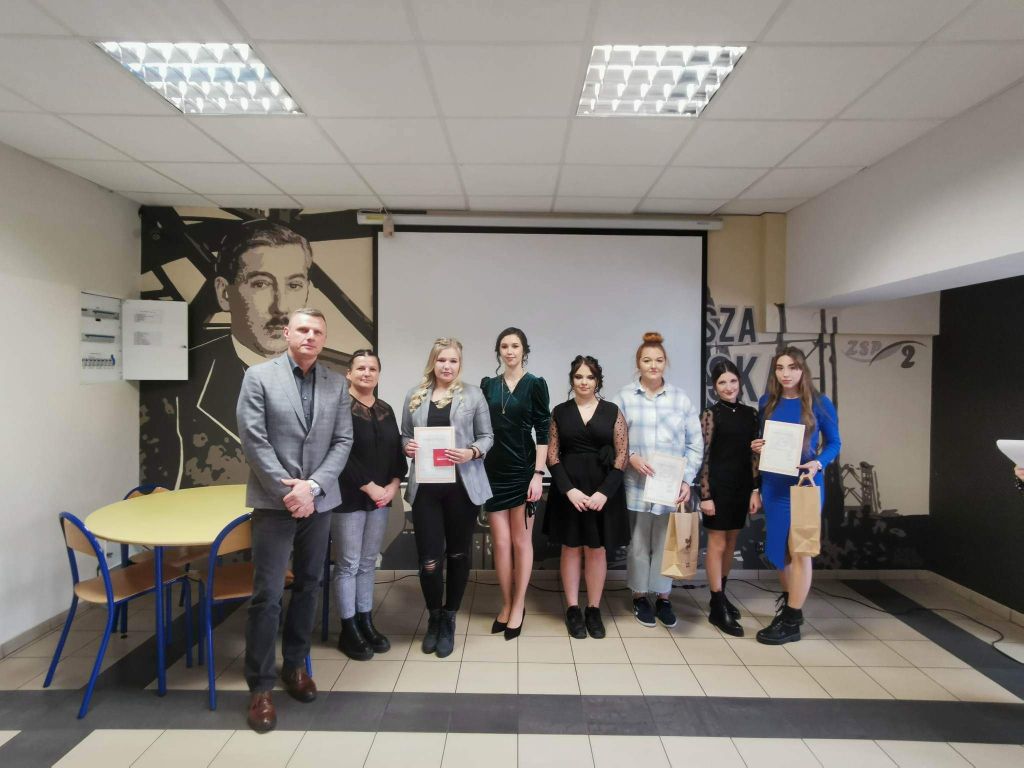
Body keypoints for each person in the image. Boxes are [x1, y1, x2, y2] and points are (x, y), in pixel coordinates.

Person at [235, 308, 353, 733]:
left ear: (324, 339)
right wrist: (289, 491)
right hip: (274, 503)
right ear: (287, 333)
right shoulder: (258, 377)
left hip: (319, 503)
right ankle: (261, 686)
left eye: (317, 331)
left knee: (309, 585)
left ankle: (295, 667)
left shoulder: (337, 384)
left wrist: (313, 487)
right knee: (267, 595)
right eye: (303, 329)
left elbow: (343, 440)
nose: (310, 336)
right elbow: (253, 439)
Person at [142, 220, 317, 489]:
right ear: (224, 293)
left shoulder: (335, 383)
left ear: (307, 292)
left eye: (294, 285)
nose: (281, 306)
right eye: (261, 284)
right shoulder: (173, 390)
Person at [402, 338, 493, 658]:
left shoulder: (473, 395)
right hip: (426, 489)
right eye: (442, 360)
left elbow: (487, 436)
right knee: (429, 561)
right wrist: (407, 447)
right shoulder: (415, 395)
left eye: (453, 361)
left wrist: (472, 452)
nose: (447, 366)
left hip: (461, 489)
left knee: (457, 555)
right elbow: (405, 435)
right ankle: (434, 617)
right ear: (433, 362)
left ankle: (449, 617)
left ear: (459, 364)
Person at [751, 346, 841, 645]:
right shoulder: (767, 401)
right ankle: (791, 608)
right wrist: (758, 446)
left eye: (792, 367)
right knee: (781, 552)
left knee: (800, 550)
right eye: (780, 368)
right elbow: (764, 441)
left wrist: (819, 462)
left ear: (803, 370)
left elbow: (834, 443)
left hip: (805, 485)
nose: (785, 373)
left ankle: (791, 620)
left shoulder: (819, 402)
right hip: (774, 485)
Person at [613, 332, 702, 629]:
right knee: (638, 544)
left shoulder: (680, 399)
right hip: (636, 485)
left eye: (659, 360)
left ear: (666, 363)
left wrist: (686, 480)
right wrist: (631, 457)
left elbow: (695, 444)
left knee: (666, 543)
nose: (653, 365)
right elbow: (613, 439)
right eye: (647, 360)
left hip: (670, 488)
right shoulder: (624, 397)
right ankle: (640, 596)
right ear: (638, 363)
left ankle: (663, 597)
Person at [545, 356, 629, 640]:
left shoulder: (613, 411)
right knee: (570, 548)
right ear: (572, 380)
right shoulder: (560, 412)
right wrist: (569, 490)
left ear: (598, 381)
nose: (584, 382)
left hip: (603, 492)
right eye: (579, 377)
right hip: (569, 492)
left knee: (596, 550)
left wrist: (605, 492)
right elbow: (552, 456)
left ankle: (593, 609)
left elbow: (622, 456)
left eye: (589, 377)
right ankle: (572, 609)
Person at [333, 350, 405, 661]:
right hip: (349, 497)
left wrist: (392, 486)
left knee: (367, 562)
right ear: (348, 374)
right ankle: (348, 628)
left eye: (372, 368)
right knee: (348, 564)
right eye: (360, 368)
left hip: (382, 499)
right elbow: (339, 455)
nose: (366, 373)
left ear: (378, 374)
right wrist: (369, 486)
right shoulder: (339, 408)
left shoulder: (386, 409)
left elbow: (396, 454)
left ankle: (365, 621)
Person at [480, 328, 551, 640]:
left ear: (524, 350)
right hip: (492, 472)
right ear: (499, 351)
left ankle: (519, 605)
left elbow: (543, 430)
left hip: (524, 471)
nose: (510, 351)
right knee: (501, 543)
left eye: (515, 346)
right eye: (505, 346)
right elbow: (480, 427)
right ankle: (507, 603)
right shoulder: (488, 385)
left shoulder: (535, 384)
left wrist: (538, 474)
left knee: (522, 542)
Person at [697, 360, 761, 637]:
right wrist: (705, 495)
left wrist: (755, 489)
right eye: (722, 382)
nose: (728, 387)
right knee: (717, 543)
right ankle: (716, 603)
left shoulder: (751, 414)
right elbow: (703, 456)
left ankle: (722, 595)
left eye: (733, 381)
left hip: (741, 486)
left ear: (739, 382)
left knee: (732, 541)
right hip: (717, 487)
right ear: (714, 387)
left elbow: (754, 456)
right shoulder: (710, 415)